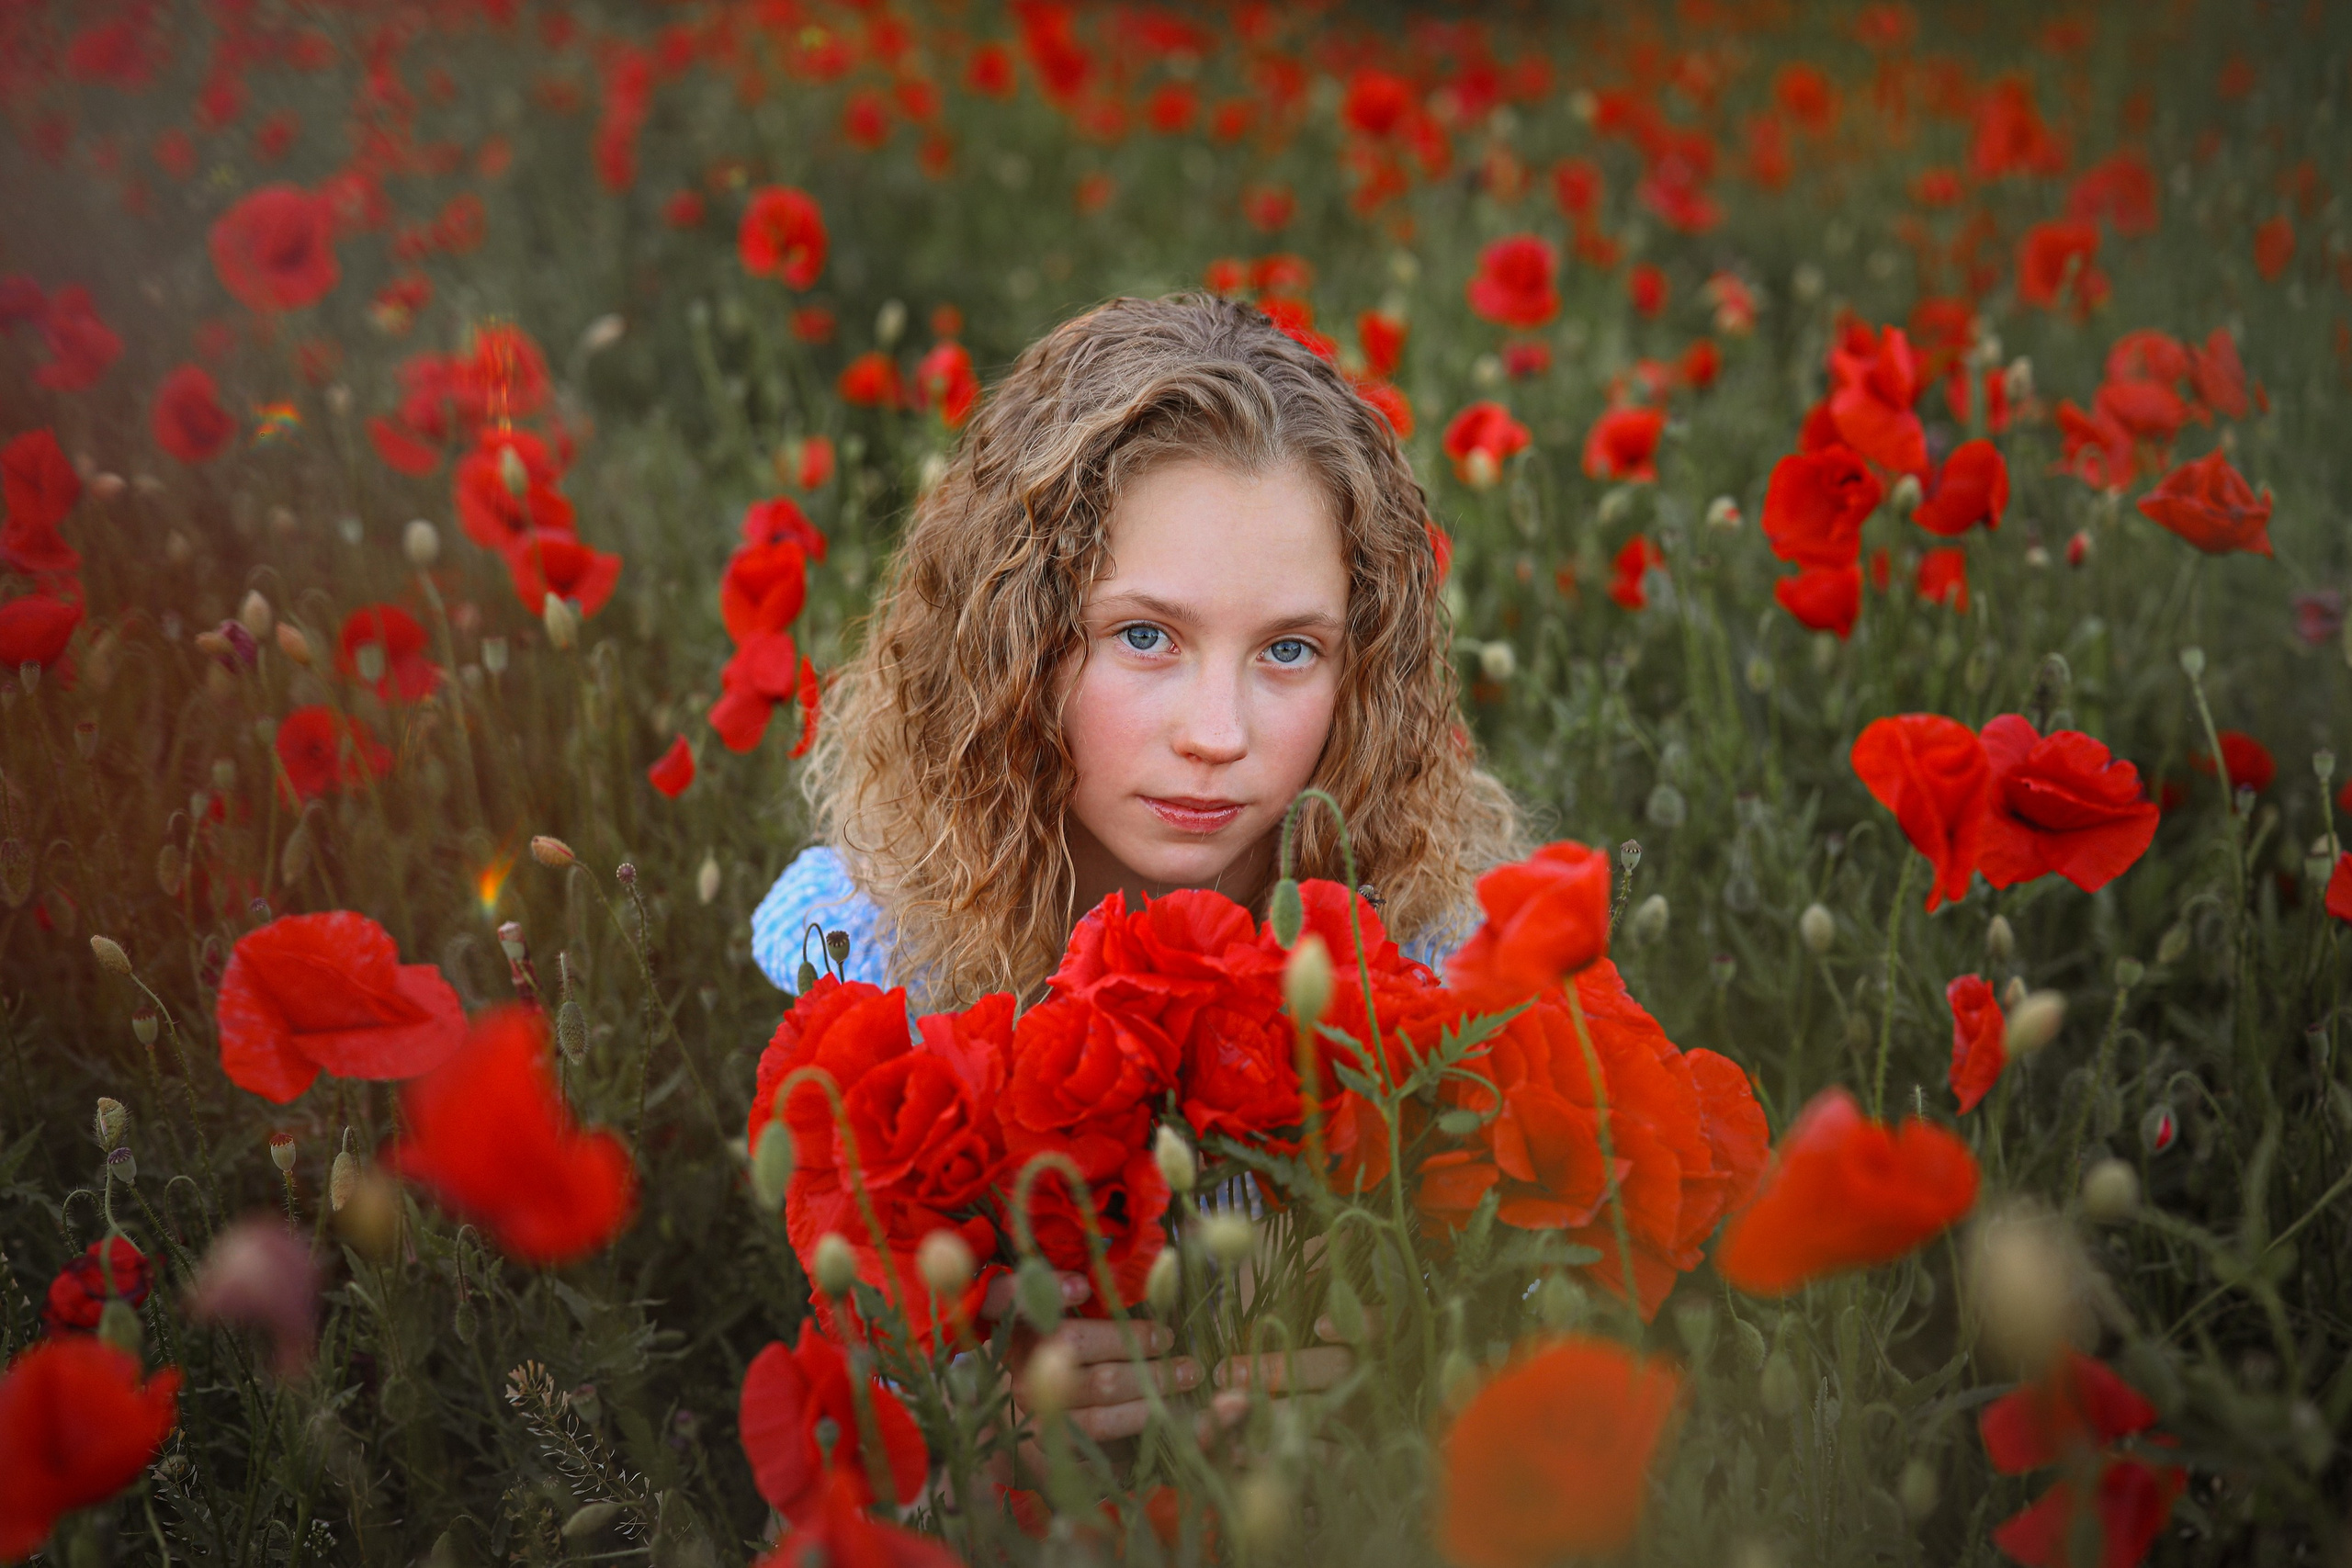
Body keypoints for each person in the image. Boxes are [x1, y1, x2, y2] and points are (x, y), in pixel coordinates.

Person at [749, 291, 1522, 1451]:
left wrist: (1411, 1345)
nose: (1217, 732)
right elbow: (835, 1407)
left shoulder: (1440, 971)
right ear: (1011, 643)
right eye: (1145, 636)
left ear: (1362, 675)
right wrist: (976, 1409)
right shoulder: (868, 961)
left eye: (1289, 650)